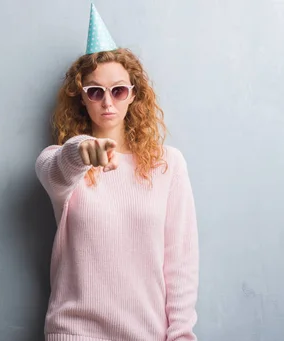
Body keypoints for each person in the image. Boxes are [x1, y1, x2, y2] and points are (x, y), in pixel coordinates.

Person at [34, 4, 199, 341]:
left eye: (118, 90)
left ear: (133, 95)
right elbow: (59, 168)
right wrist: (82, 150)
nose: (107, 102)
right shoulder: (59, 161)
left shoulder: (168, 165)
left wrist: (181, 335)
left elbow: (180, 265)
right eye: (95, 91)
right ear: (82, 99)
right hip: (74, 333)